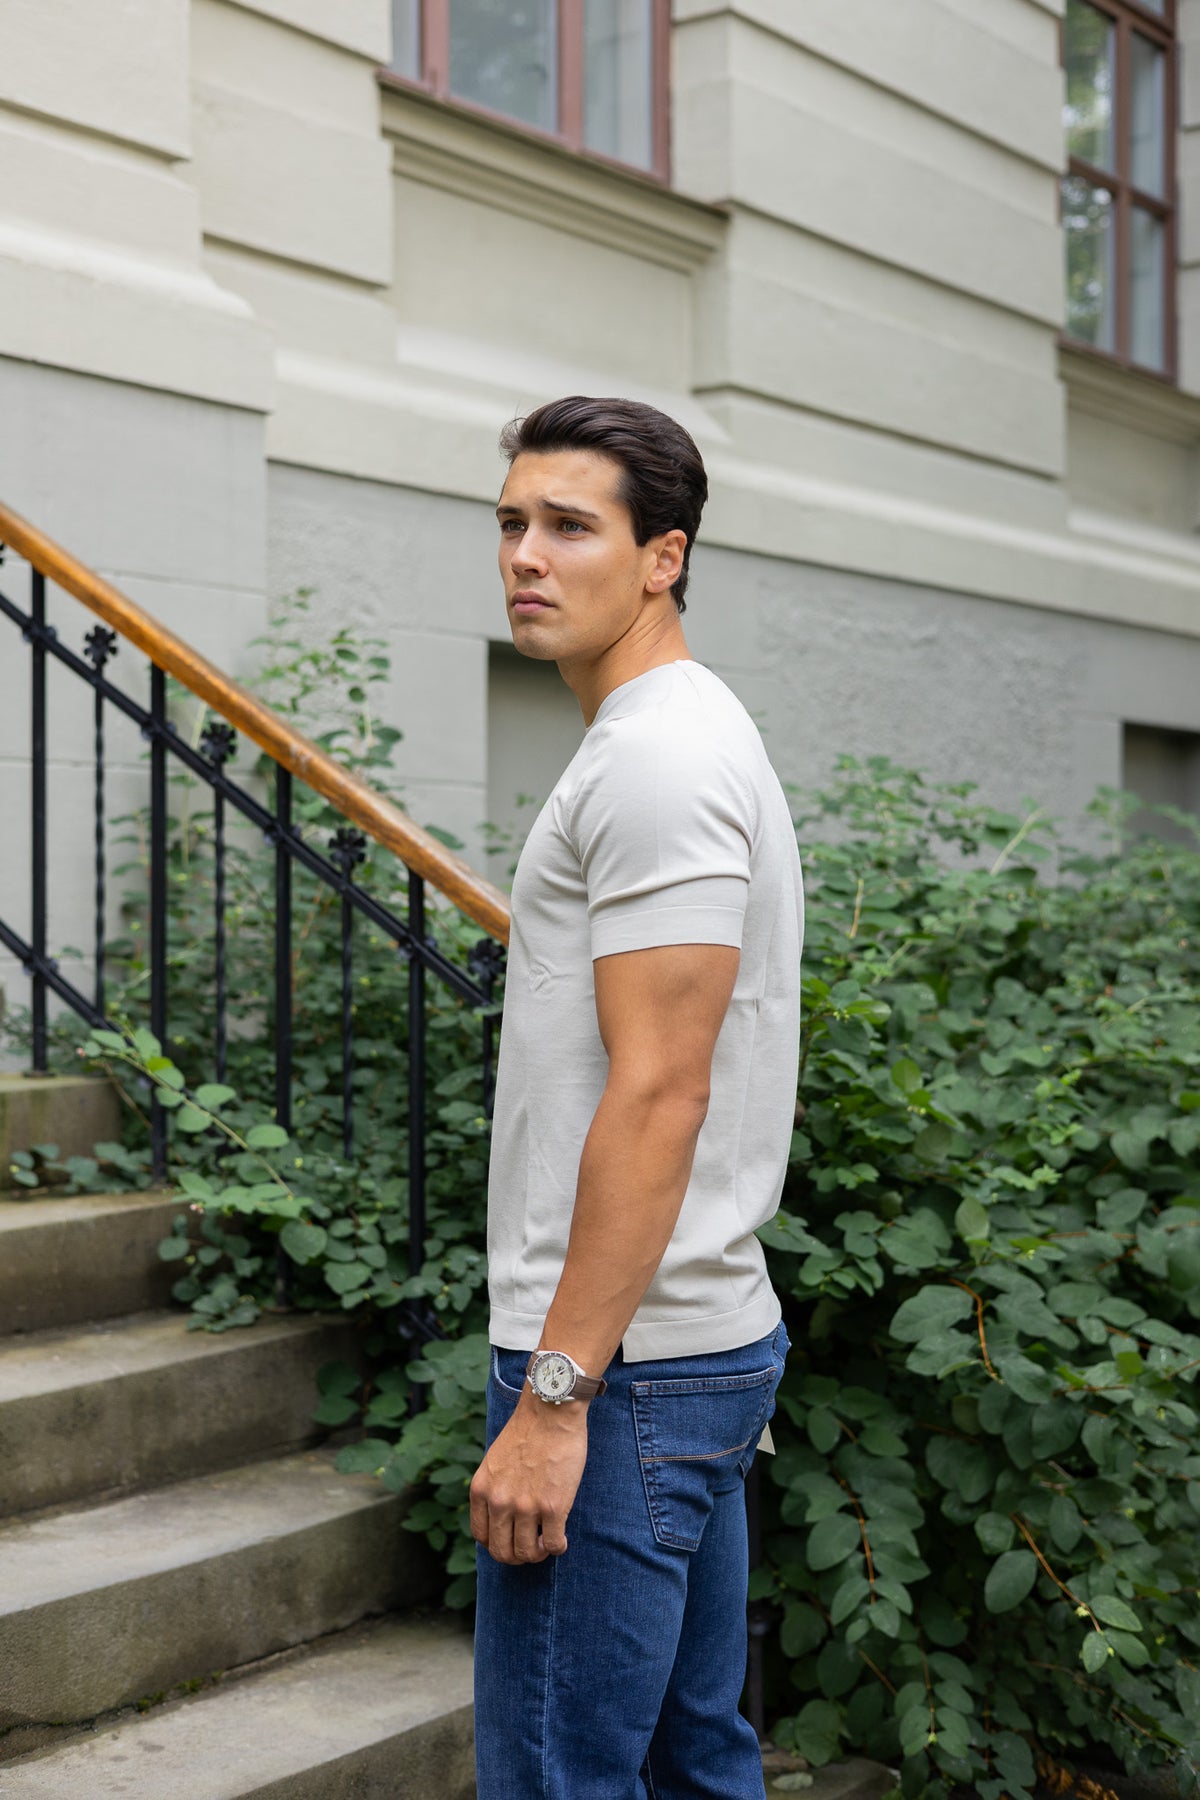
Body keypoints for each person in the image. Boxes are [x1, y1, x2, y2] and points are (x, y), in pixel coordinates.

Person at [469, 395, 804, 1800]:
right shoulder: (667, 730)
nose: (524, 556)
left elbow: (661, 1091)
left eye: (569, 526)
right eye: (511, 523)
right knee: (690, 1762)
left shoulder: (660, 758)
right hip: (675, 1345)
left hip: (620, 1371)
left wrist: (556, 1400)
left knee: (560, 1776)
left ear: (664, 557)